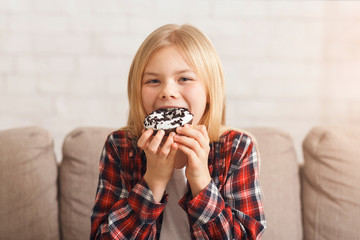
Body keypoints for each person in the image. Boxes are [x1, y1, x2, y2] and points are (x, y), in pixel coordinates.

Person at [90, 24, 266, 240]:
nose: (167, 92)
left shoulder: (238, 148)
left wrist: (201, 180)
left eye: (184, 79)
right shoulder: (120, 147)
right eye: (153, 81)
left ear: (210, 91)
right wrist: (152, 181)